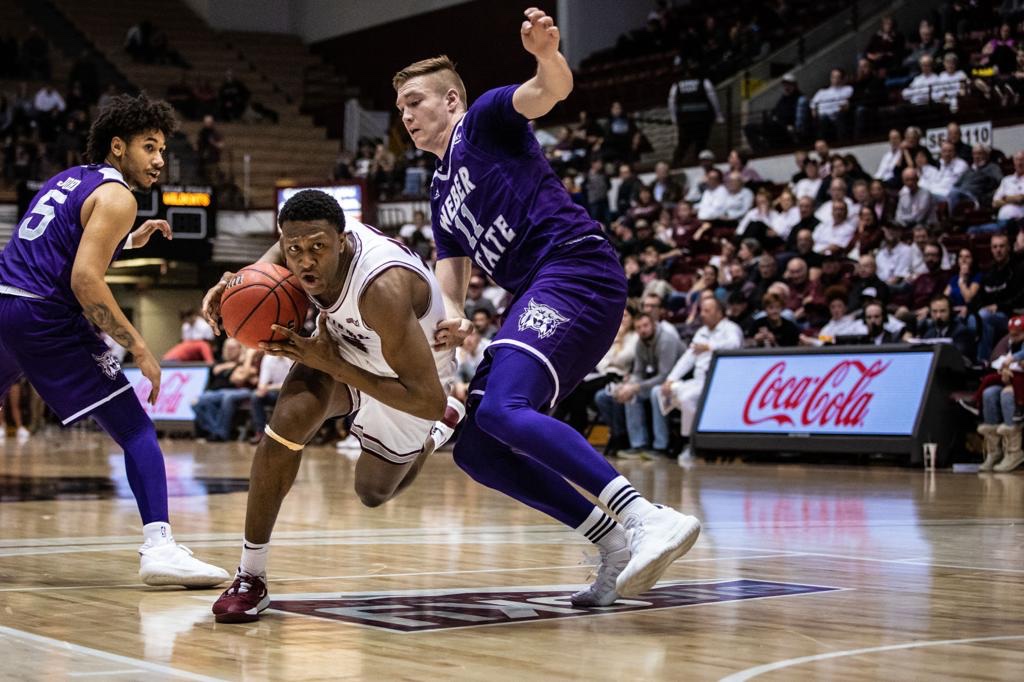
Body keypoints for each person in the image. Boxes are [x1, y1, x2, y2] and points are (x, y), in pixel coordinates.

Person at [390, 8, 702, 607]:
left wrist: (547, 56)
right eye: (400, 107)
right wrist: (452, 313)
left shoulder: (482, 120)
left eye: (415, 102)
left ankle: (646, 517)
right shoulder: (439, 187)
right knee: (479, 446)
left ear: (451, 100)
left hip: (576, 269)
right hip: (538, 290)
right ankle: (612, 543)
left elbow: (548, 91)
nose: (405, 116)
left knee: (504, 408)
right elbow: (451, 264)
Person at [0, 94, 228, 587]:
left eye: (162, 149)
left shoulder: (68, 178)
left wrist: (129, 239)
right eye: (150, 146)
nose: (159, 159)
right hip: (44, 315)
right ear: (118, 146)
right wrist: (139, 346)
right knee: (135, 428)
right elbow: (84, 279)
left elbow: (60, 243)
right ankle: (160, 547)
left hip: (4, 304)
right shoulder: (119, 197)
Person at [205, 190, 463, 622]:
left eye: (318, 248)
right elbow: (276, 257)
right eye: (295, 250)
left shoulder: (381, 287)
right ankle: (251, 576)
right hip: (343, 347)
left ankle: (436, 437)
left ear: (342, 241)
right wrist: (239, 283)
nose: (305, 261)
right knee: (285, 423)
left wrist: (333, 365)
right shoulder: (298, 244)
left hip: (412, 379)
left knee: (373, 492)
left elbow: (427, 400)